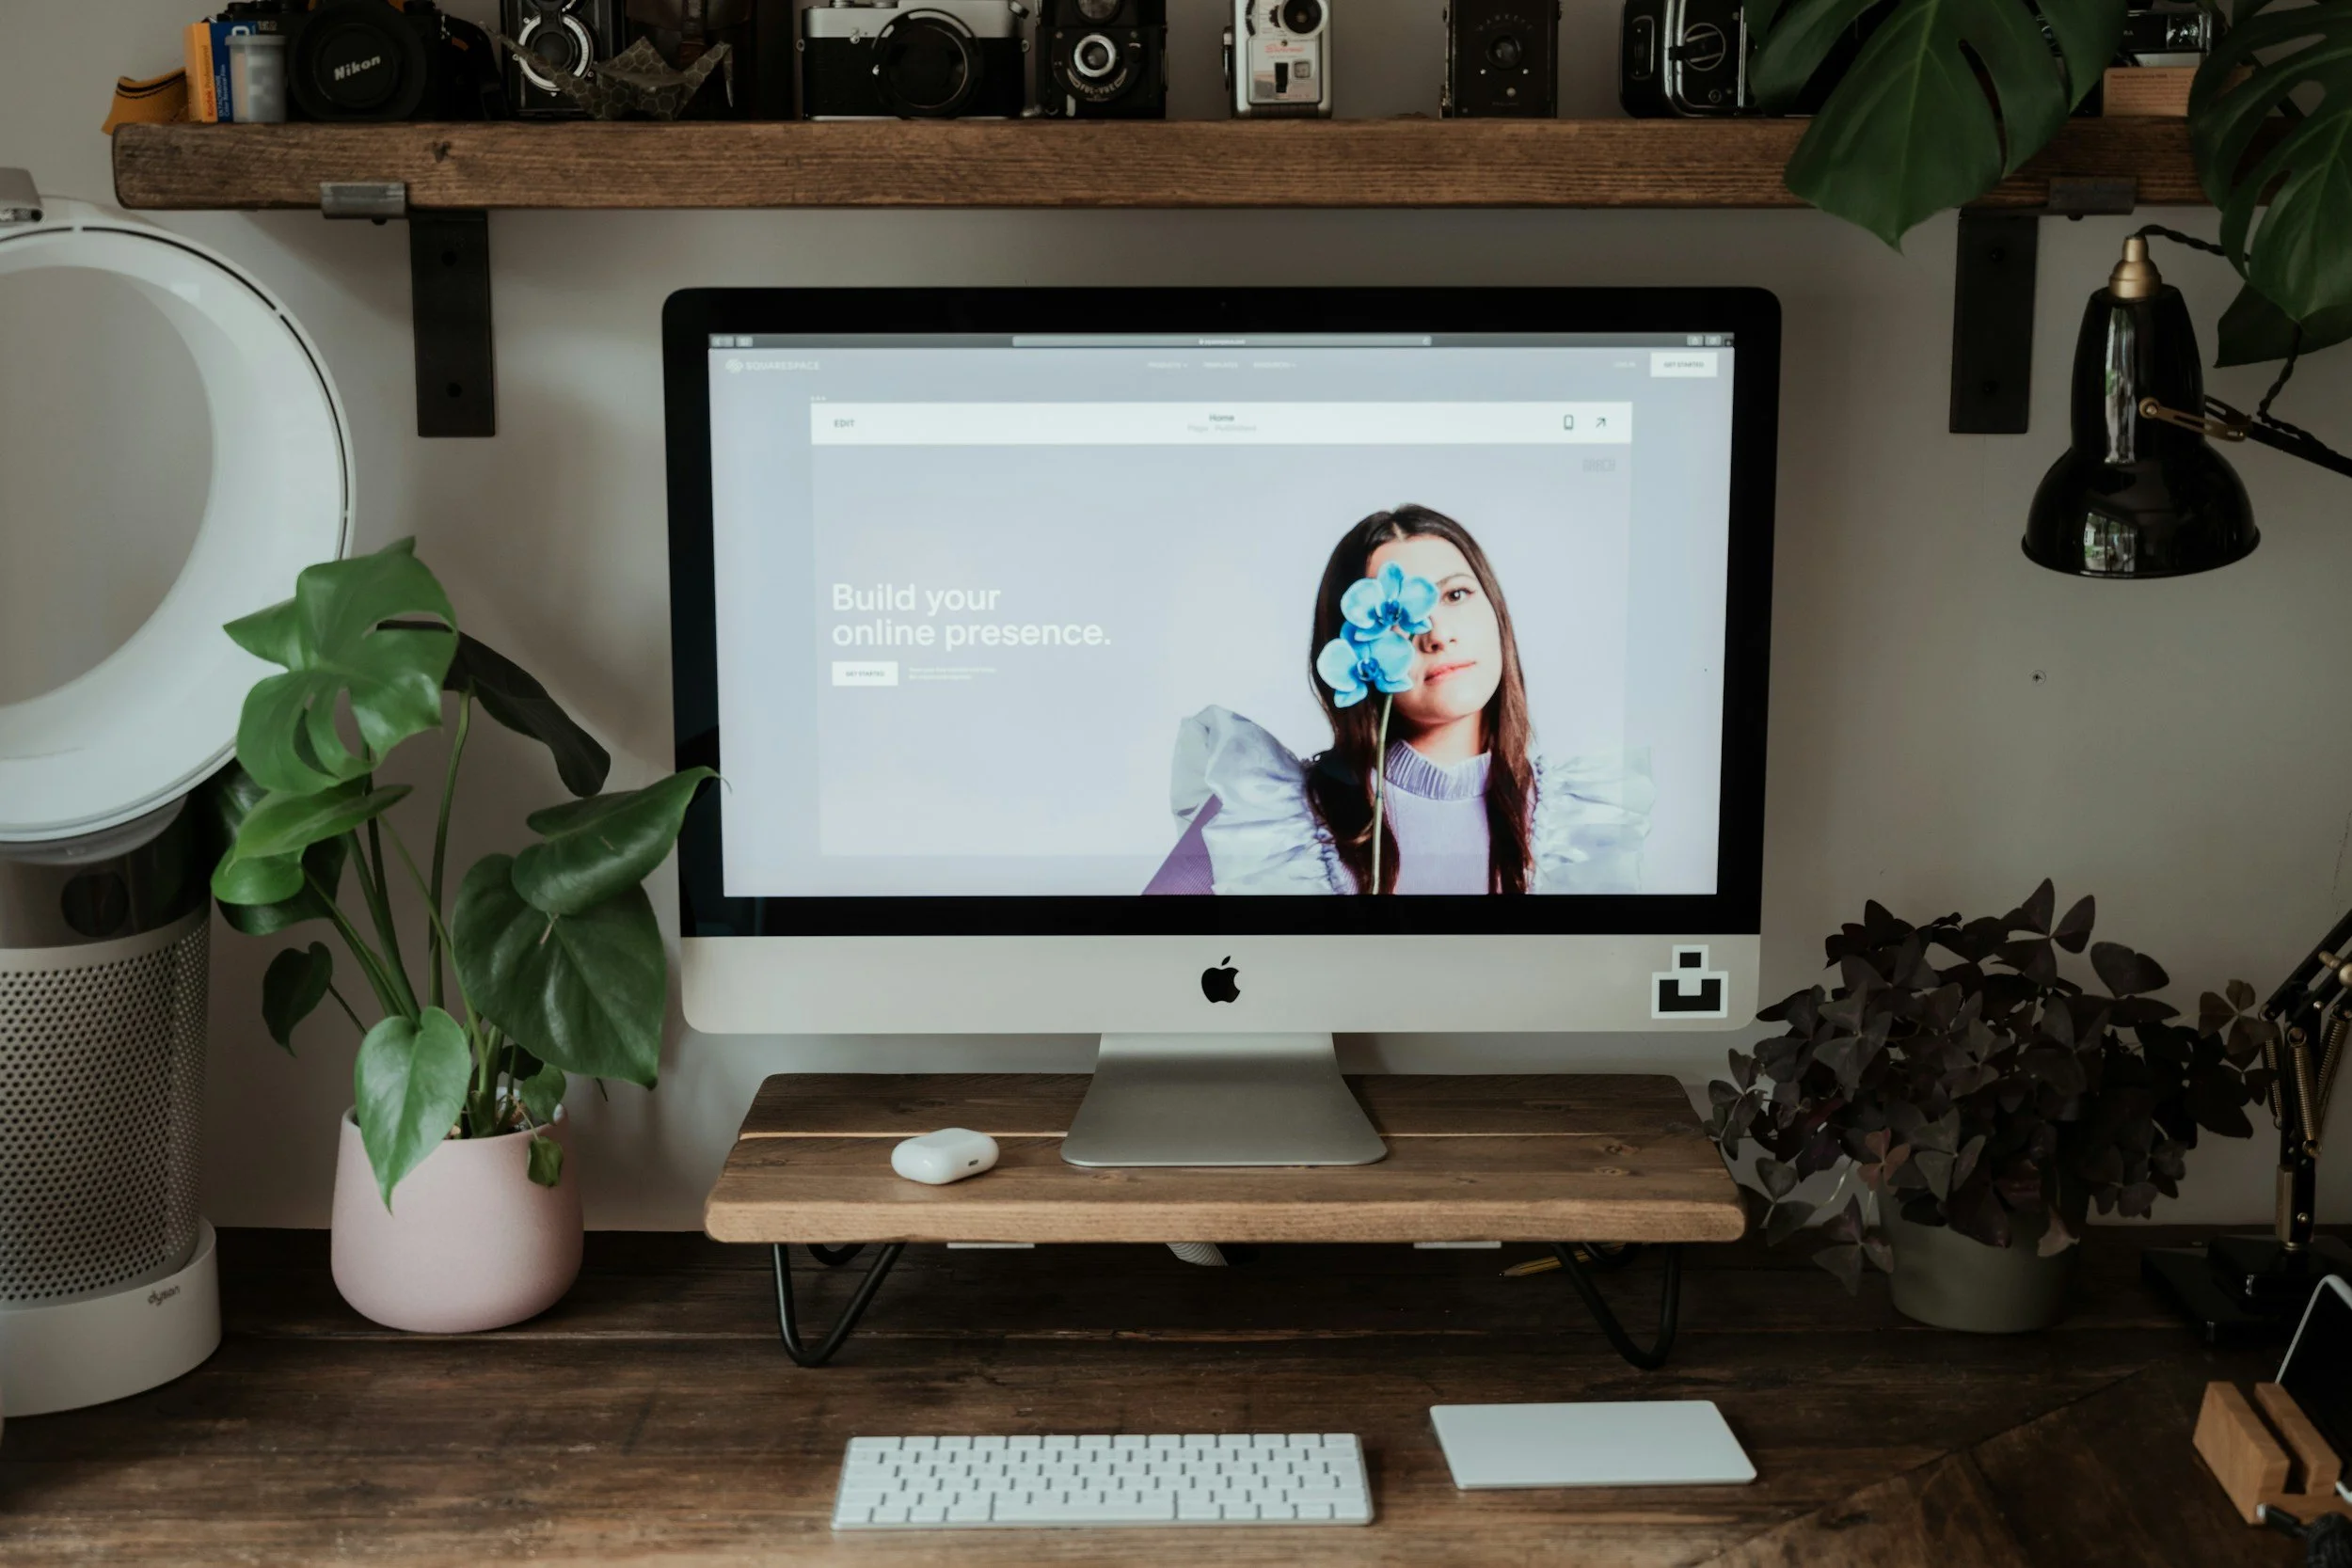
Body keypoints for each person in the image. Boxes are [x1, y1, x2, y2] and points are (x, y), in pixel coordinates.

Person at [1143, 504, 1652, 895]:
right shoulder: (1270, 816)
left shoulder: (1579, 822)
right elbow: (1149, 968)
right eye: (1395, 618)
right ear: (1345, 643)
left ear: (1496, 610)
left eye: (1455, 595)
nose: (1436, 635)